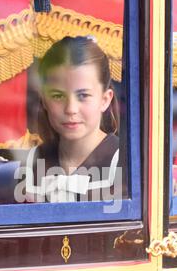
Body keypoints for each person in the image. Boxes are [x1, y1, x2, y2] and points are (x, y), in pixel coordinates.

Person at [17, 35, 121, 204]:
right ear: (44, 99)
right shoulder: (32, 163)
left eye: (83, 95)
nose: (71, 109)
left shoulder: (125, 164)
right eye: (58, 96)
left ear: (105, 100)